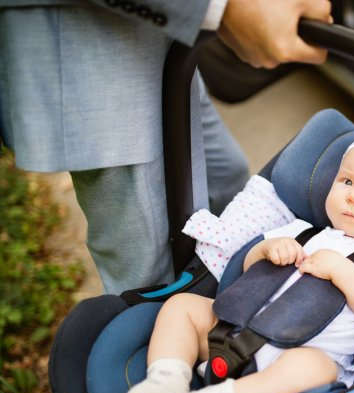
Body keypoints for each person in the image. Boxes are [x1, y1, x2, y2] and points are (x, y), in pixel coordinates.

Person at [0, 0, 333, 294]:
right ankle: (158, 339)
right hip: (89, 39)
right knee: (149, 267)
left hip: (163, 39)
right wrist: (226, 6)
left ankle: (227, 292)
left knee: (225, 178)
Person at [122, 126, 354, 393]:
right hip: (230, 332)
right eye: (347, 181)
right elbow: (247, 266)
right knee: (183, 307)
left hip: (296, 358)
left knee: (316, 367)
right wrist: (267, 249)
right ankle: (165, 381)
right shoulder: (300, 230)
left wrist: (341, 271)